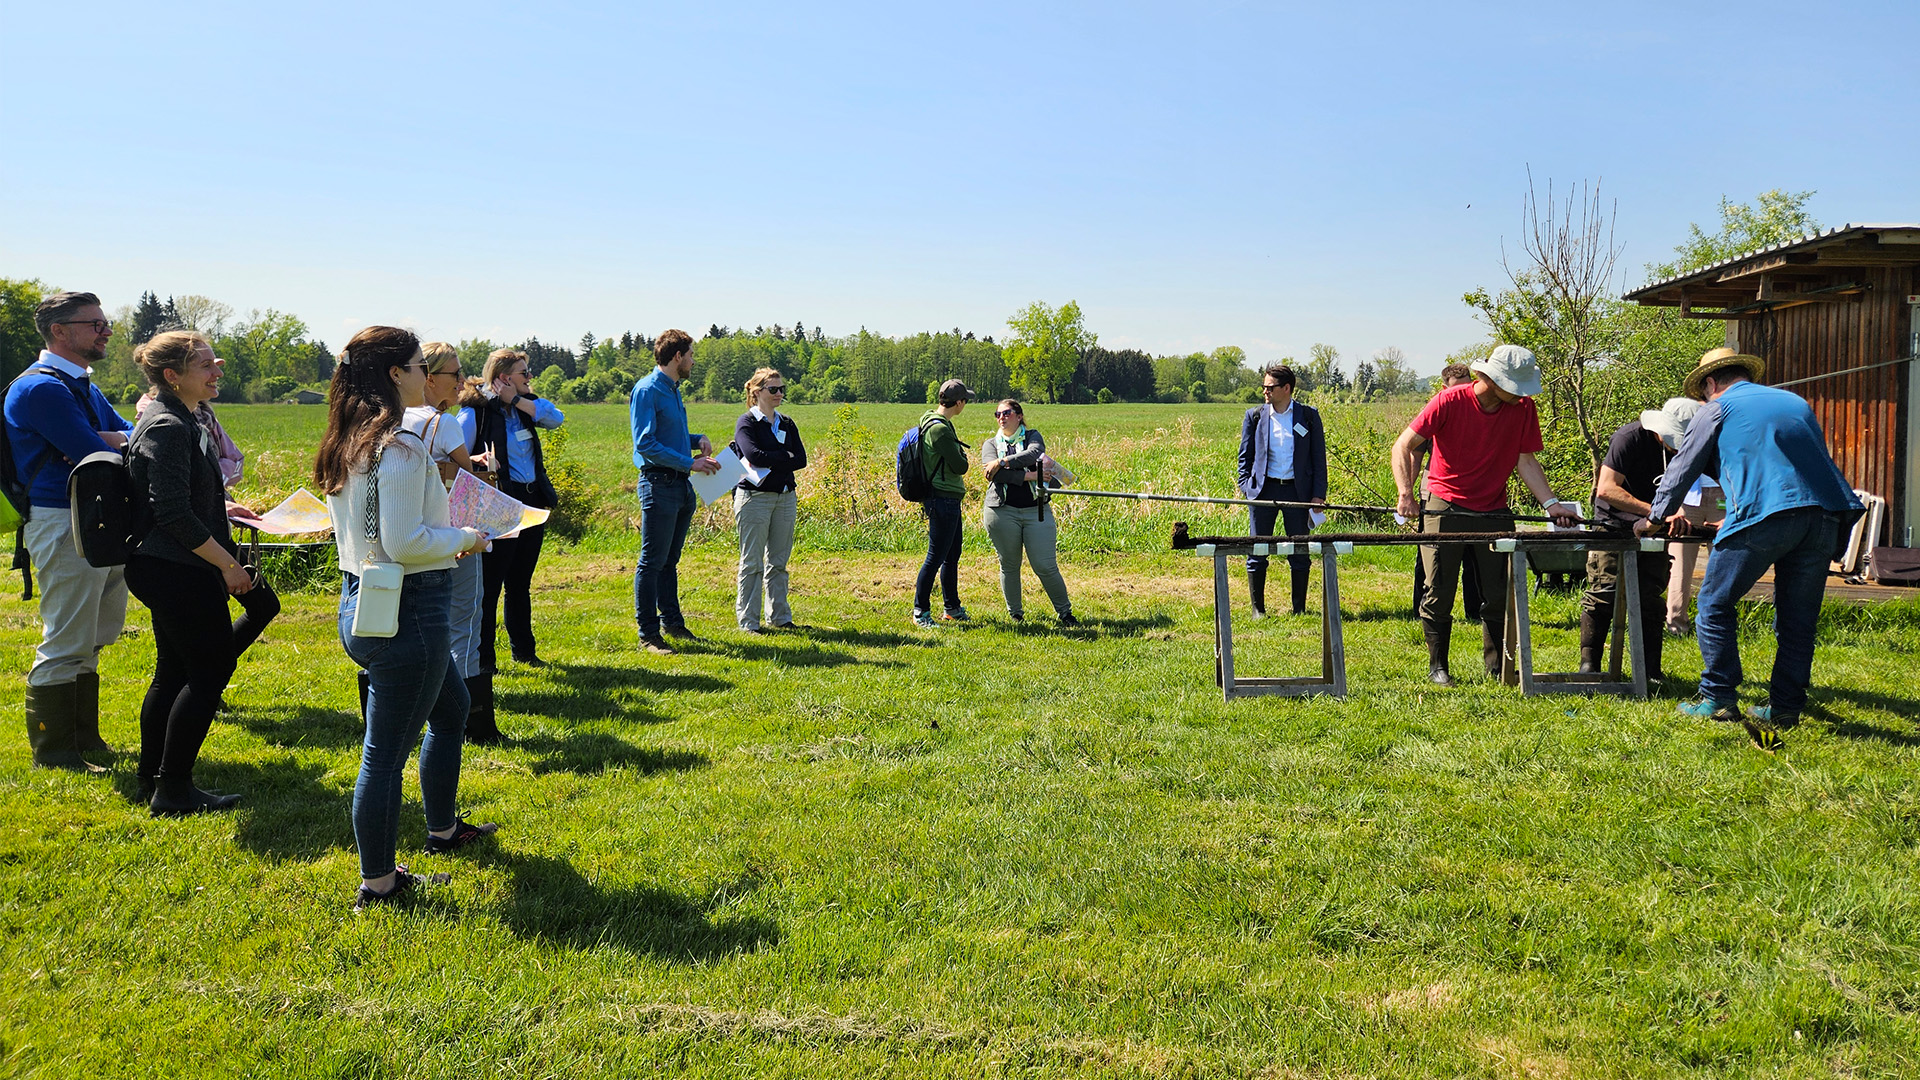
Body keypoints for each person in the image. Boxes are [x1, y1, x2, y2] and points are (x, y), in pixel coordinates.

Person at [315, 326, 496, 910]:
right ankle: (379, 884)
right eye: (420, 365)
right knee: (384, 756)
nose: (429, 375)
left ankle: (442, 830)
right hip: (408, 612)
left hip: (366, 602)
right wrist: (467, 537)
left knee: (453, 708)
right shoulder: (399, 446)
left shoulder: (349, 439)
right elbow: (406, 542)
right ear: (396, 374)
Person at [1640, 347, 1865, 751]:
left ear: (1711, 383)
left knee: (1714, 603)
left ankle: (1719, 697)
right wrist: (1735, 510)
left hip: (1767, 516)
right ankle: (1786, 708)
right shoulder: (1794, 403)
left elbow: (1684, 466)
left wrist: (1654, 518)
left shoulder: (1716, 408)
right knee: (1798, 620)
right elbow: (1782, 465)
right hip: (1824, 516)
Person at [123, 331, 280, 814]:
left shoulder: (183, 418)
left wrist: (223, 508)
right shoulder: (168, 426)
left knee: (175, 670)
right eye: (206, 365)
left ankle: (151, 776)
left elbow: (181, 496)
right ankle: (172, 789)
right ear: (173, 376)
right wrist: (228, 565)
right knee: (207, 672)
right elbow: (171, 513)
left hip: (176, 565)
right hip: (175, 568)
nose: (217, 372)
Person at [1391, 345, 1580, 686]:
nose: (1521, 394)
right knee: (1439, 590)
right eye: (1515, 386)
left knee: (1498, 592)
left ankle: (1498, 669)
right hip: (1444, 504)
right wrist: (1406, 494)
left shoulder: (1524, 408)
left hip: (1494, 508)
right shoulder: (1448, 401)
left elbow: (1526, 460)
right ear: (1492, 379)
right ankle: (1438, 667)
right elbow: (1403, 445)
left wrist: (1552, 504)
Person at [4, 292, 134, 771]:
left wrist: (113, 439)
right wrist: (110, 441)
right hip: (62, 521)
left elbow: (133, 436)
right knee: (66, 637)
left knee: (93, 634)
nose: (107, 331)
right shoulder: (41, 389)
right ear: (60, 331)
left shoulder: (81, 386)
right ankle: (54, 751)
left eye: (105, 322)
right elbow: (93, 451)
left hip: (94, 519)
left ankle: (84, 738)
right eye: (94, 324)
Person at [411, 343, 502, 744]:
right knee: (464, 621)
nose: (463, 381)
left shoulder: (396, 420)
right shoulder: (442, 423)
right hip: (455, 534)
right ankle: (471, 721)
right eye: (455, 373)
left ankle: (420, 712)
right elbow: (466, 483)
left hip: (414, 535)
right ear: (429, 377)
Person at [1575, 397, 1701, 683]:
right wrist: (1656, 513)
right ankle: (1589, 666)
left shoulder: (1682, 451)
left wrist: (1673, 513)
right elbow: (1607, 489)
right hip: (1613, 526)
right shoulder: (1628, 438)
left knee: (1649, 597)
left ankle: (1649, 671)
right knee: (1604, 593)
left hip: (1655, 530)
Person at [463, 348, 563, 670]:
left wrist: (516, 399)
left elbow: (556, 418)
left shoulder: (524, 408)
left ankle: (524, 652)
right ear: (505, 377)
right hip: (499, 505)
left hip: (531, 501)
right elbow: (456, 457)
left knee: (520, 582)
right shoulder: (476, 413)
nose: (530, 377)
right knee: (491, 586)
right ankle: (484, 661)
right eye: (524, 373)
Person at [631, 329, 720, 655]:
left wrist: (696, 440)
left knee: (669, 561)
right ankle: (648, 634)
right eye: (691, 355)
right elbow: (645, 444)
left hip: (680, 486)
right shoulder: (647, 390)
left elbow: (668, 435)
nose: (693, 362)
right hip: (659, 485)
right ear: (677, 356)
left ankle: (673, 623)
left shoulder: (672, 389)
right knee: (652, 562)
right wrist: (690, 463)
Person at [1236, 365, 1327, 617]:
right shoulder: (1254, 416)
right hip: (1263, 492)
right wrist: (1246, 486)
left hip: (1297, 493)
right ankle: (1258, 609)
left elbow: (1318, 458)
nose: (1265, 391)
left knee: (1299, 551)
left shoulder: (1308, 416)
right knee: (1258, 550)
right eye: (1264, 387)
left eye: (1270, 387)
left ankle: (1299, 609)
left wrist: (1318, 494)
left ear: (1286, 388)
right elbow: (1245, 456)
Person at [981, 399, 1077, 625]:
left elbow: (1033, 454)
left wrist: (1002, 461)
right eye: (997, 414)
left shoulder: (1033, 437)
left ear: (1019, 416)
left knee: (1045, 565)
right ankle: (1016, 614)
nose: (1001, 417)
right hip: (1001, 512)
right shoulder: (990, 444)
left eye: (1006, 413)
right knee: (1009, 565)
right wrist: (1029, 476)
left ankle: (1065, 613)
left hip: (1037, 511)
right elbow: (994, 475)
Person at [730, 368, 807, 633]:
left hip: (785, 497)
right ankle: (749, 622)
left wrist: (773, 457)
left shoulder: (787, 423)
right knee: (752, 563)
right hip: (754, 499)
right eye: (773, 389)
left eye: (781, 389)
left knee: (779, 562)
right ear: (757, 392)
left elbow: (801, 459)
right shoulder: (747, 423)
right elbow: (754, 455)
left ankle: (780, 617)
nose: (779, 394)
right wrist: (784, 456)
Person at [1410, 363, 1482, 620]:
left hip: (1471, 494)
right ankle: (1421, 609)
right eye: (1456, 388)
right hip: (1434, 491)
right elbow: (1415, 454)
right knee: (1429, 554)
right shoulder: (1436, 409)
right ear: (1443, 388)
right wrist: (1407, 492)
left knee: (1473, 555)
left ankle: (1475, 611)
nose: (1462, 393)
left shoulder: (1478, 411)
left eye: (1467, 386)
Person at [911, 379, 973, 628]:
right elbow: (961, 466)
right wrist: (962, 456)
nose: (965, 405)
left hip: (946, 497)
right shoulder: (940, 430)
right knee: (935, 557)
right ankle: (921, 612)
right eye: (965, 400)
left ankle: (952, 608)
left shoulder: (932, 420)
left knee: (951, 555)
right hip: (942, 497)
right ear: (958, 403)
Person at [137, 388, 245, 490]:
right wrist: (217, 473)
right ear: (173, 378)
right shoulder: (163, 422)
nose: (217, 376)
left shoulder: (205, 415)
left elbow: (237, 460)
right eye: (204, 370)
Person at [1664, 476, 1723, 635]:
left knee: (1723, 566)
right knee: (1679, 567)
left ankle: (1717, 624)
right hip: (1686, 495)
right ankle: (1676, 628)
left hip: (1724, 492)